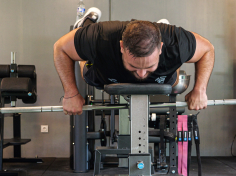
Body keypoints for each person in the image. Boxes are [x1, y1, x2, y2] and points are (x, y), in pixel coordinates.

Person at [53, 7, 214, 115]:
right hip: (106, 72)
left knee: (173, 72)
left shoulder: (175, 41)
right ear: (122, 47)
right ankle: (83, 25)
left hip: (161, 75)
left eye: (149, 67)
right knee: (87, 71)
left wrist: (200, 90)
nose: (142, 74)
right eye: (134, 66)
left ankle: (159, 28)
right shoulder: (101, 36)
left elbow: (207, 49)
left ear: (160, 47)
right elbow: (60, 48)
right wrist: (71, 93)